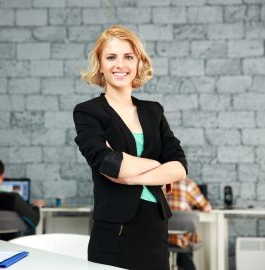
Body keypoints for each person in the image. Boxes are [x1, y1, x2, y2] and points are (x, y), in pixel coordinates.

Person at [73, 25, 188, 270]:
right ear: (100, 64)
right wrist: (157, 166)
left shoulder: (153, 111)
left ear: (138, 62)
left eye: (128, 57)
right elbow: (107, 163)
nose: (120, 65)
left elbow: (179, 166)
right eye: (111, 57)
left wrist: (131, 176)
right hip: (115, 230)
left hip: (155, 226)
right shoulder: (88, 112)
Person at [167, 177, 212, 270]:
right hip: (182, 239)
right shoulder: (187, 183)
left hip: (160, 238)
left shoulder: (157, 182)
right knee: (185, 238)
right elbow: (206, 207)